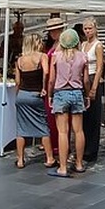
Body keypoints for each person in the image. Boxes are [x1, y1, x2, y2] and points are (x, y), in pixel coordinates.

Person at [47, 28, 89, 177]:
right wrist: (87, 95)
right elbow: (85, 80)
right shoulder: (83, 57)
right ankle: (79, 163)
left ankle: (63, 167)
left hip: (61, 92)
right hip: (77, 92)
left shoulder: (56, 56)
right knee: (78, 131)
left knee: (63, 132)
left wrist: (50, 95)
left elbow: (51, 79)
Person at [14, 33, 54, 169]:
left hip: (22, 95)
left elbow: (17, 81)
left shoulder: (20, 60)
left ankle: (20, 159)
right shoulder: (42, 56)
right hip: (35, 95)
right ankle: (49, 158)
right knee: (43, 126)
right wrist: (44, 88)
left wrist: (17, 95)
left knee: (21, 129)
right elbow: (47, 72)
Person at [80, 17, 104, 163]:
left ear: (95, 29)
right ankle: (84, 146)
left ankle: (92, 149)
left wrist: (94, 86)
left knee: (94, 116)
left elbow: (100, 66)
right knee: (84, 116)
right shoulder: (83, 45)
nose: (88, 31)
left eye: (90, 28)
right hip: (84, 79)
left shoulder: (98, 45)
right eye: (85, 28)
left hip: (93, 77)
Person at [43, 17, 66, 156]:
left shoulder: (60, 46)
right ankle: (53, 143)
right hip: (52, 82)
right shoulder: (55, 44)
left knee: (55, 116)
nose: (52, 33)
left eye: (54, 30)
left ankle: (57, 145)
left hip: (56, 83)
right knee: (50, 117)